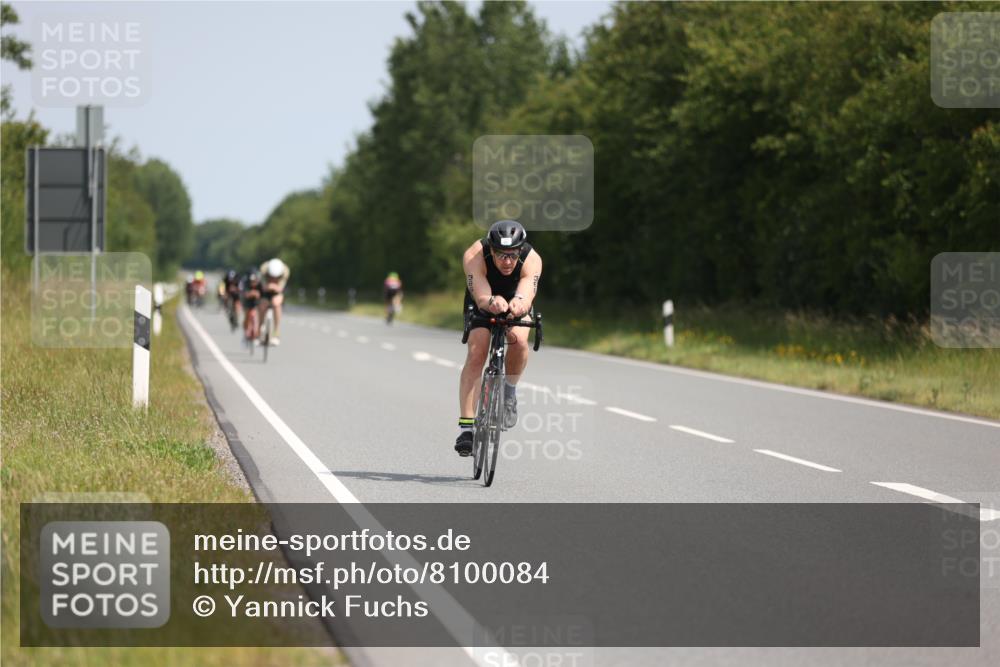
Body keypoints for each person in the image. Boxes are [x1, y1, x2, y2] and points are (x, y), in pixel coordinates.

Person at [455, 220, 542, 456]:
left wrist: (520, 303)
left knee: (519, 339)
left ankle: (509, 390)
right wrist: (491, 302)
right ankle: (466, 429)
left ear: (520, 250)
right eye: (501, 255)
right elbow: (481, 295)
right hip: (483, 298)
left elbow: (527, 292)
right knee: (477, 353)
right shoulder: (475, 254)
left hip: (516, 298)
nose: (507, 261)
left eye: (513, 255)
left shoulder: (532, 258)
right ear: (491, 250)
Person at [260, 258, 290, 345]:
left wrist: (275, 287)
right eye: (271, 277)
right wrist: (267, 287)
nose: (273, 279)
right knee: (262, 304)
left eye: (276, 277)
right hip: (266, 289)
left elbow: (281, 288)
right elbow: (262, 286)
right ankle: (261, 326)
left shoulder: (285, 272)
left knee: (276, 303)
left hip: (277, 290)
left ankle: (276, 331)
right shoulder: (264, 269)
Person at [240, 268, 263, 342]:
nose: (253, 283)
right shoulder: (245, 283)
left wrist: (258, 294)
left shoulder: (260, 283)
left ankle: (259, 329)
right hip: (247, 301)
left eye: (255, 281)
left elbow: (263, 293)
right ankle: (246, 330)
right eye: (252, 281)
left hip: (258, 301)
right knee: (247, 314)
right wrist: (250, 294)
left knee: (261, 312)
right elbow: (244, 294)